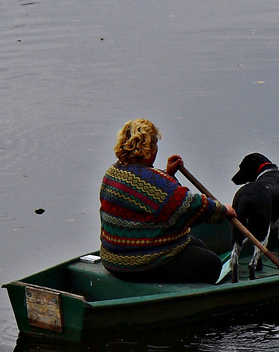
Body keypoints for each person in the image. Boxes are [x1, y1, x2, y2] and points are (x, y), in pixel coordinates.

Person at [98, 118, 231, 282]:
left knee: (196, 244)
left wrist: (168, 175)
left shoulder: (112, 172)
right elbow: (188, 206)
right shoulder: (153, 181)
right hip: (141, 263)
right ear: (149, 148)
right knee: (212, 264)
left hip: (112, 259)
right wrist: (222, 210)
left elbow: (148, 196)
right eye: (155, 145)